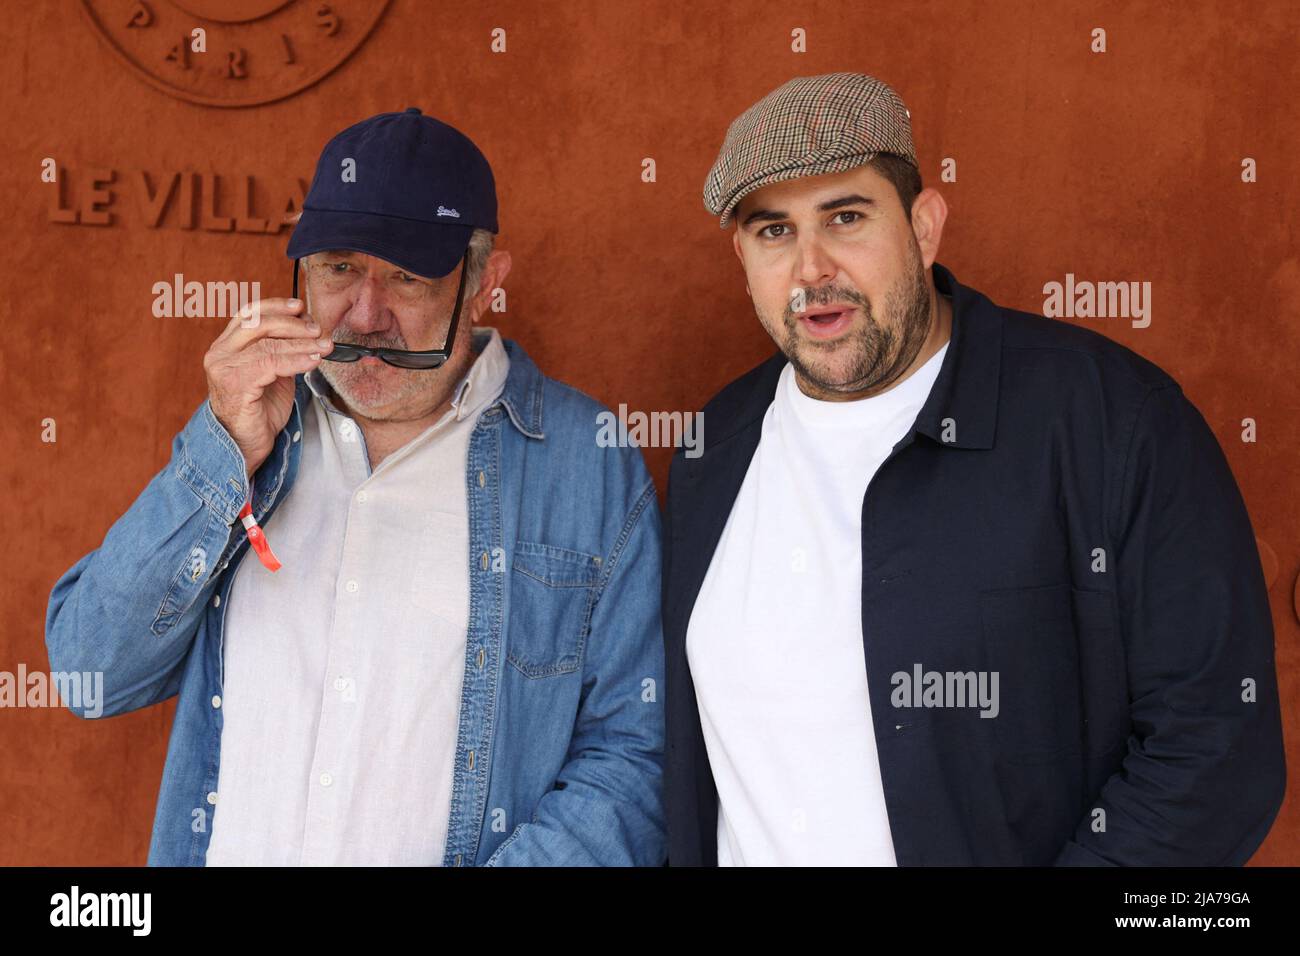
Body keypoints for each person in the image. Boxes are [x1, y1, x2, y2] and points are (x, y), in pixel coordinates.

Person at [662, 72, 1286, 865]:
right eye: (773, 231)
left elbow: (1215, 750)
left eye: (846, 217)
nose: (811, 268)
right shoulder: (715, 446)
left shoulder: (1111, 419)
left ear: (924, 228)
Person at [46, 108, 666, 866]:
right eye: (339, 267)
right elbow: (91, 675)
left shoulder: (586, 462)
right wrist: (223, 450)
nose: (366, 315)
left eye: (407, 276)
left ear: (483, 284)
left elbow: (634, 759)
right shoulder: (247, 435)